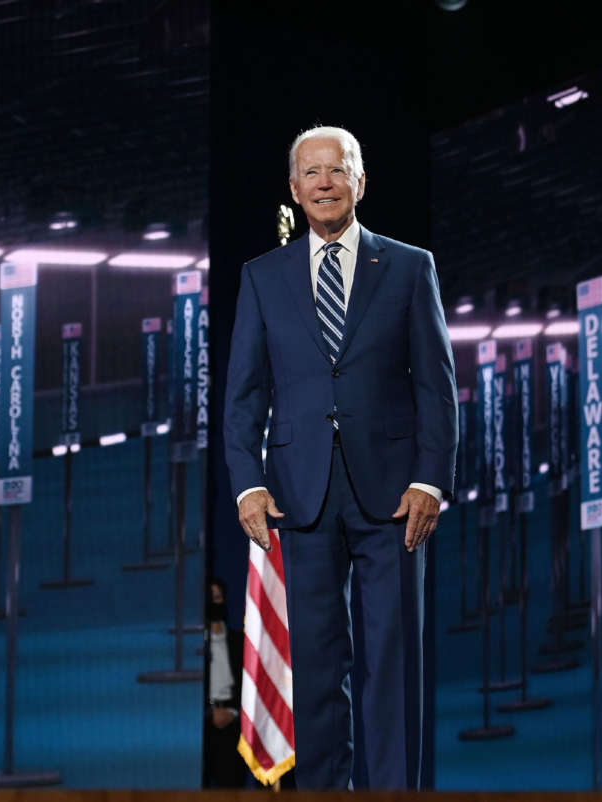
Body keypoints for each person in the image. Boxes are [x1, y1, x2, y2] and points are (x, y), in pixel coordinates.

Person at [223, 125, 458, 790]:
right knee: (319, 663)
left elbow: (436, 388)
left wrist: (431, 481)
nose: (324, 182)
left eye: (337, 170)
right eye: (311, 172)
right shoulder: (262, 277)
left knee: (391, 659)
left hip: (393, 495)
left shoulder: (411, 267)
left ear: (361, 181)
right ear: (295, 190)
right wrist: (247, 485)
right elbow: (243, 395)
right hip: (300, 494)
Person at [202, 578, 247, 788]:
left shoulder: (241, 642)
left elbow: (250, 686)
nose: (215, 604)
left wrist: (234, 712)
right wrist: (210, 713)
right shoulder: (196, 646)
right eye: (210, 599)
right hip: (201, 726)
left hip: (234, 725)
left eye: (218, 598)